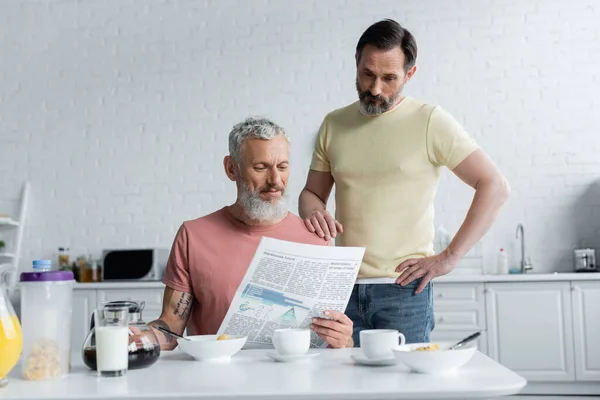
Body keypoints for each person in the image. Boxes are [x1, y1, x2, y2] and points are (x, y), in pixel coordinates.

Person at [299, 19, 510, 346]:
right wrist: (312, 210)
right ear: (356, 61)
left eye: (389, 78)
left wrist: (449, 257)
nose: (375, 89)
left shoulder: (430, 121)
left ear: (410, 75)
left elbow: (494, 186)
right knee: (341, 388)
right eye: (367, 74)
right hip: (341, 290)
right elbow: (312, 193)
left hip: (405, 291)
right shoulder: (334, 124)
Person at [148, 117, 354, 350]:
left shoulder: (317, 238)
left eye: (283, 167)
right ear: (231, 168)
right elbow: (171, 327)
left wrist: (345, 341)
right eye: (260, 167)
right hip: (217, 380)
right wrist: (136, 337)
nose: (275, 181)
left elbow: (333, 342)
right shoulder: (193, 235)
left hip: (295, 381)